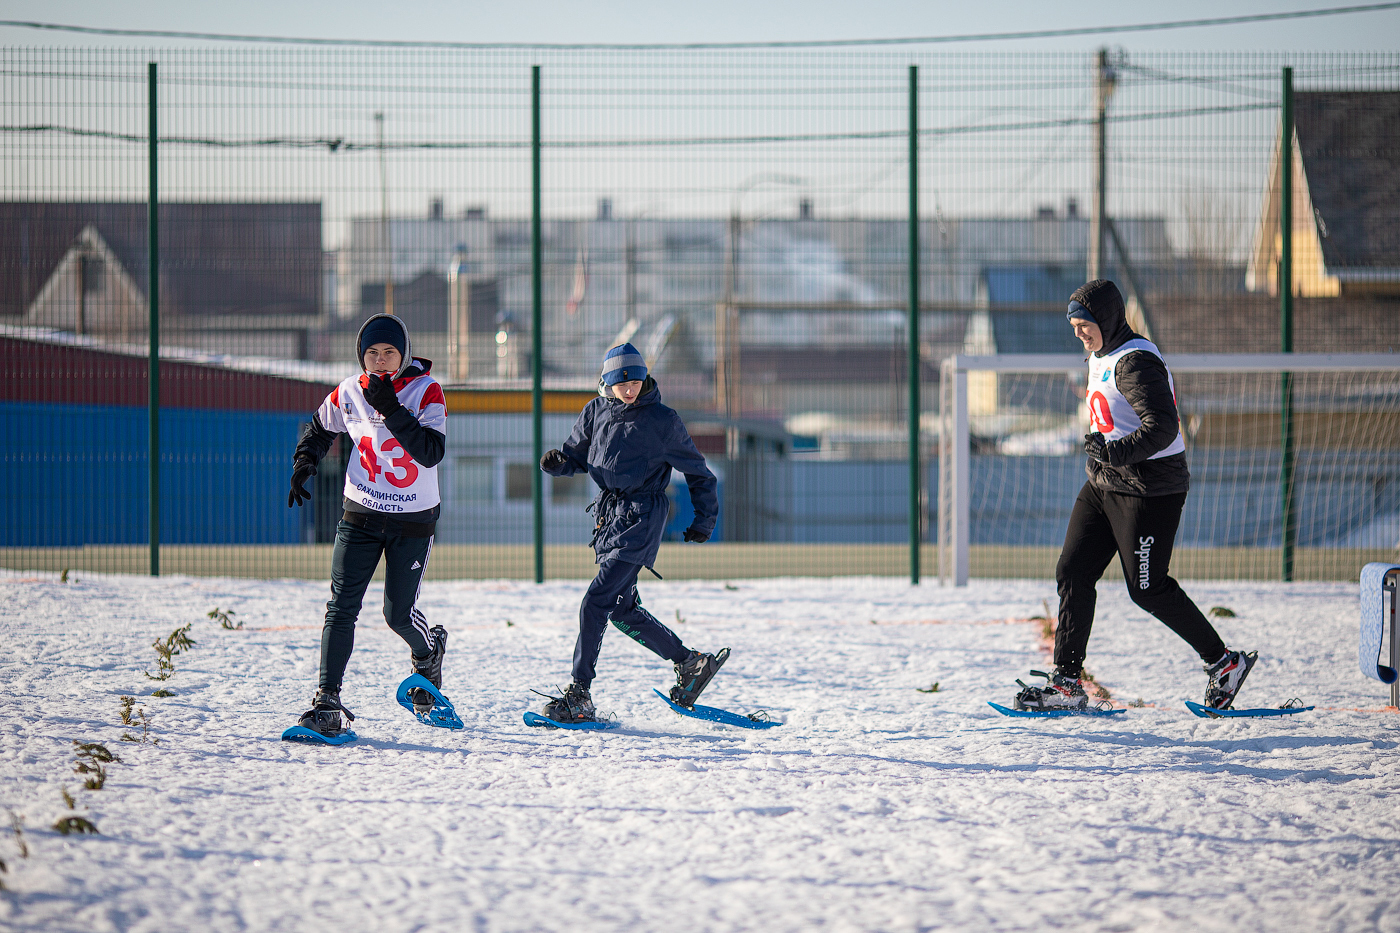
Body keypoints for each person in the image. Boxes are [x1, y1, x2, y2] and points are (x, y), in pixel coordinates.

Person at [1014, 280, 1257, 711]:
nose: (1078, 333)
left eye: (1084, 324)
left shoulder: (1136, 361)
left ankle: (1225, 663)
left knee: (1147, 588)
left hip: (1151, 490)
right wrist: (1103, 453)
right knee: (1072, 570)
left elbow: (1162, 427)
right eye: (1073, 325)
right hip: (1105, 485)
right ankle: (1067, 683)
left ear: (1106, 319)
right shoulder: (1099, 353)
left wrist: (1113, 450)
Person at [537, 343, 723, 723]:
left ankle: (579, 694)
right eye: (621, 382)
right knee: (621, 609)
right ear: (606, 382)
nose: (629, 388)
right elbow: (577, 455)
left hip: (642, 517)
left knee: (595, 601)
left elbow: (699, 473)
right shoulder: (595, 411)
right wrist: (559, 464)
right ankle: (691, 664)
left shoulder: (662, 420)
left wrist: (704, 520)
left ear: (644, 378)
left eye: (635, 380)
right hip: (610, 517)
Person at [286, 313, 449, 737]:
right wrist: (305, 460)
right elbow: (320, 427)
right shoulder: (349, 391)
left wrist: (389, 406)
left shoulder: (426, 390)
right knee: (341, 607)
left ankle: (428, 652)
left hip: (412, 522)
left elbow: (430, 452)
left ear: (404, 354)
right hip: (359, 514)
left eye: (388, 353)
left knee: (398, 615)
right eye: (371, 353)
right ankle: (326, 700)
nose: (379, 361)